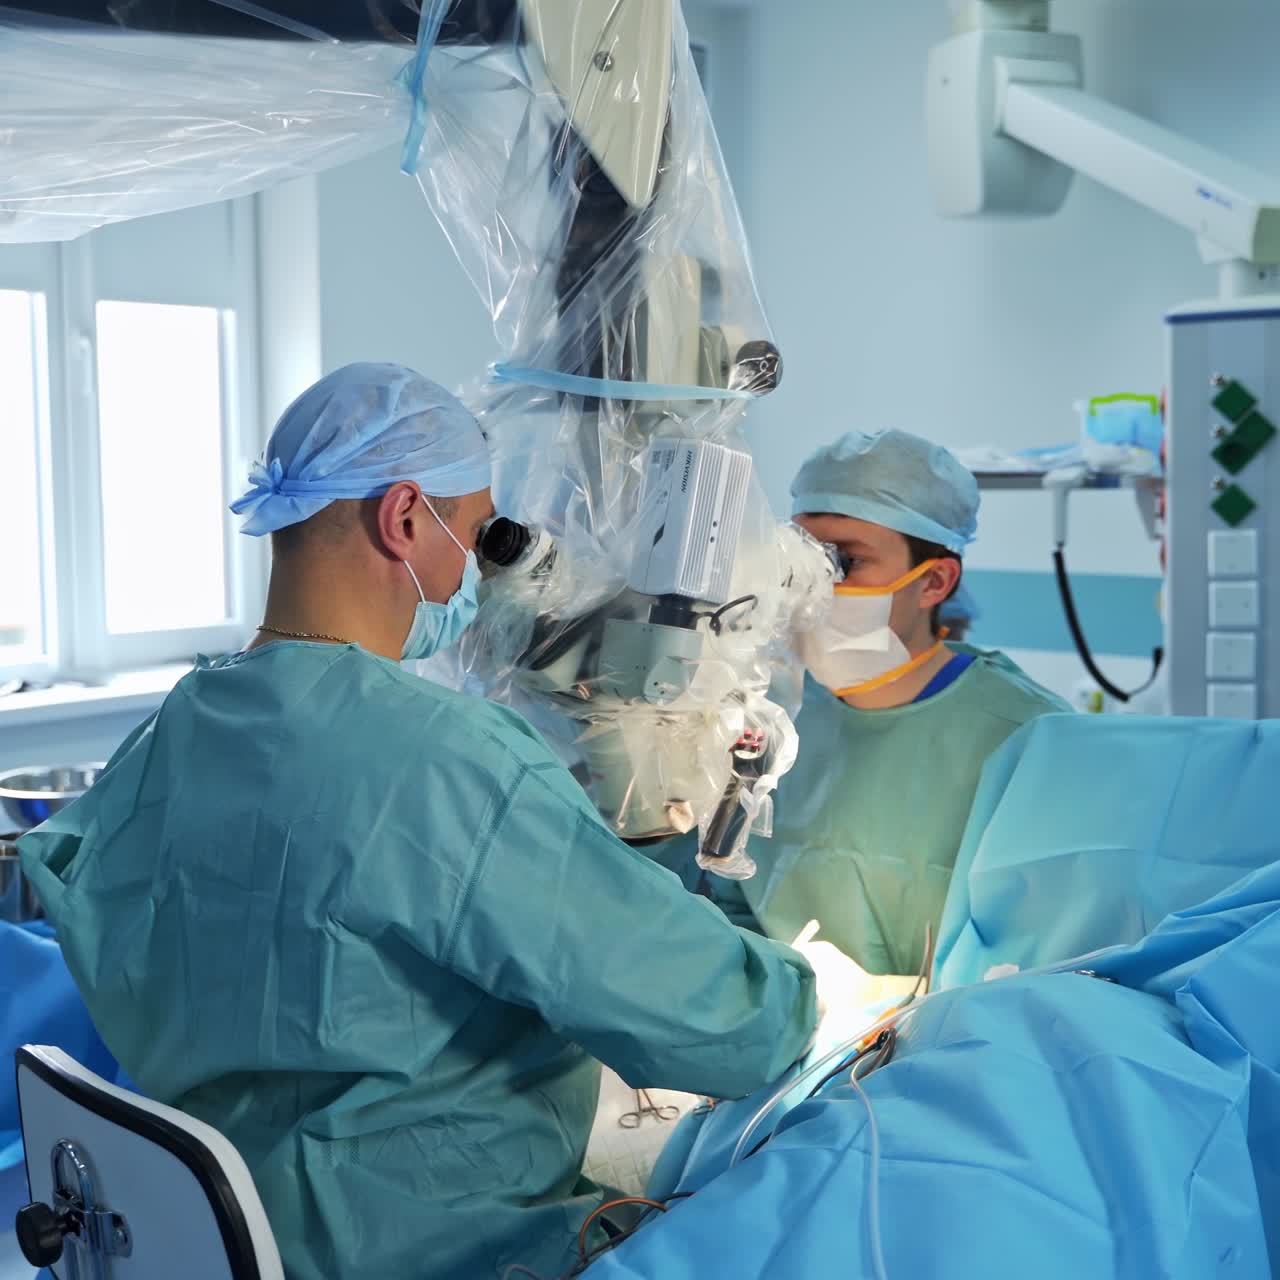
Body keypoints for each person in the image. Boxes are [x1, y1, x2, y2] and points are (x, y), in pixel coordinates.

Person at [19, 364, 838, 1280]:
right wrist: (785, 979)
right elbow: (735, 1032)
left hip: (216, 1235)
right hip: (431, 1250)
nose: (475, 570)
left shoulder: (173, 730)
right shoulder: (445, 761)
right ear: (404, 517)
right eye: (477, 530)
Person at [694, 429, 1070, 976]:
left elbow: (1053, 942)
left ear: (935, 581)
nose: (813, 585)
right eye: (803, 557)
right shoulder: (766, 718)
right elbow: (729, 900)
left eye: (845, 561)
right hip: (792, 1038)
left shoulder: (1032, 738)